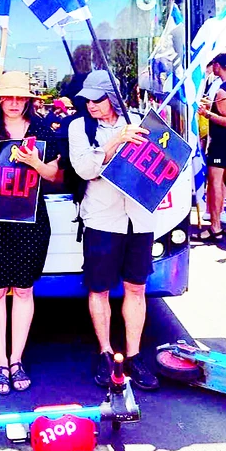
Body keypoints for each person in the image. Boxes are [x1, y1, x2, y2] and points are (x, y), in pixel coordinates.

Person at [0, 71, 62, 394]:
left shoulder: (41, 129)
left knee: (23, 290)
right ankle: (0, 362)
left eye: (21, 98)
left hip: (30, 220)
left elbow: (54, 176)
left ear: (29, 101)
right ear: (0, 100)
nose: (15, 103)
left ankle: (17, 360)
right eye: (10, 97)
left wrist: (35, 162)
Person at [67, 71, 159, 391]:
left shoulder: (141, 119)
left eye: (98, 99)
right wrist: (116, 140)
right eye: (87, 100)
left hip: (140, 218)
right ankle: (105, 351)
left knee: (136, 287)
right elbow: (84, 169)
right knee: (99, 288)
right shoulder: (79, 127)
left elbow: (165, 156)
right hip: (102, 219)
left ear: (113, 96)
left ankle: (133, 355)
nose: (91, 105)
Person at [196, 52, 226, 241]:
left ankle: (215, 227)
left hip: (223, 142)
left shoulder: (223, 89)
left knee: (215, 182)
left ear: (217, 65)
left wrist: (207, 114)